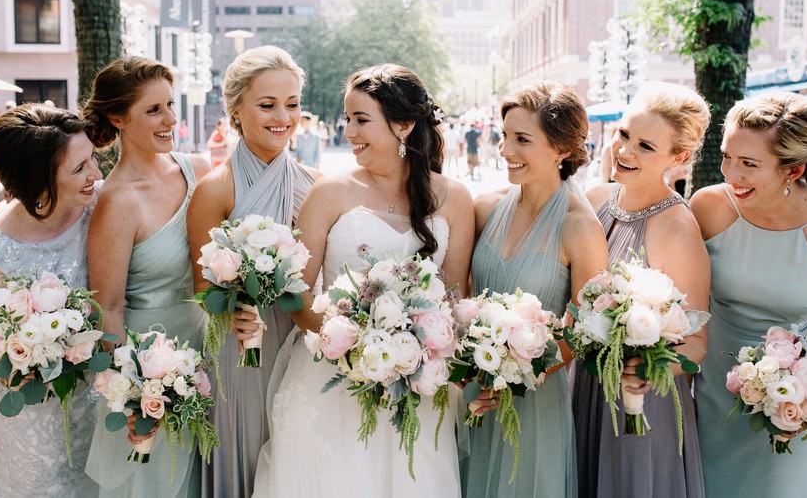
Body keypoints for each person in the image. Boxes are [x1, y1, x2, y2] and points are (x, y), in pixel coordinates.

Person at [249, 64, 475, 495]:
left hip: (419, 384)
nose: (348, 131)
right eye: (347, 119)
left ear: (404, 125)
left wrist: (411, 352)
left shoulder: (455, 198)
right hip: (331, 376)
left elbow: (454, 296)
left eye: (361, 120)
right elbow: (295, 292)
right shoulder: (330, 192)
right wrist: (353, 344)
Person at [689, 93, 807, 497]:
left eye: (749, 165)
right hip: (714, 398)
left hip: (797, 408)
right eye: (727, 156)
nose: (731, 174)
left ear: (793, 170)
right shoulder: (707, 207)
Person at [460, 82, 608, 497]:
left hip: (533, 398)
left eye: (522, 139)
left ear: (562, 149)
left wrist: (512, 377)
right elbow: (464, 297)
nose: (505, 150)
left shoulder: (579, 227)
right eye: (504, 135)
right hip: (473, 385)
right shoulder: (485, 208)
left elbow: (582, 329)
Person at [185, 45, 320, 498]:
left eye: (293, 104)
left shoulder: (315, 183)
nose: (283, 116)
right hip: (240, 350)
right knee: (245, 457)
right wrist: (233, 308)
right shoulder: (215, 189)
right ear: (236, 111)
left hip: (299, 344)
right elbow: (202, 286)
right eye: (267, 105)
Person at [82, 57, 215, 497]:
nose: (170, 119)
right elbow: (109, 308)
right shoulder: (117, 202)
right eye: (154, 110)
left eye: (170, 105)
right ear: (118, 118)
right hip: (147, 367)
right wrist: (132, 394)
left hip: (203, 352)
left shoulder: (197, 169)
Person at [578, 82, 713, 498]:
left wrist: (646, 370)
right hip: (585, 384)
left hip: (638, 397)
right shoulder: (596, 197)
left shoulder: (676, 227)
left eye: (645, 146)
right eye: (623, 134)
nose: (625, 151)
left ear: (679, 158)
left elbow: (695, 343)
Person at [0, 104, 104, 496]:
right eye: (79, 168)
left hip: (96, 401)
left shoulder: (97, 206)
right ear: (39, 182)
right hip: (29, 415)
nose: (95, 175)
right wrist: (29, 356)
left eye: (92, 159)